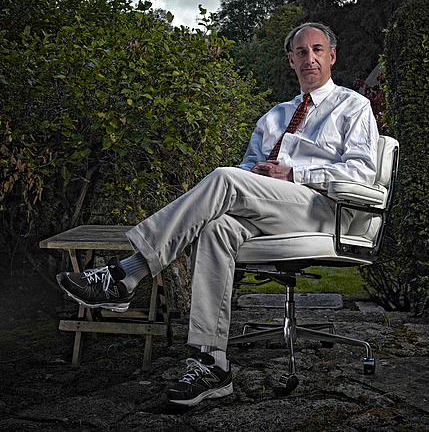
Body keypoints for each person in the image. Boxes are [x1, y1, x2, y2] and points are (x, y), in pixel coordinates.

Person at [57, 22, 379, 406]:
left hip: (321, 209)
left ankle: (127, 273)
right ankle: (212, 363)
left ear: (332, 56)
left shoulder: (353, 106)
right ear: (291, 61)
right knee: (217, 228)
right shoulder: (275, 116)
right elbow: (245, 173)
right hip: (268, 207)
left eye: (318, 50)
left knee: (225, 178)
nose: (310, 58)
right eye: (301, 52)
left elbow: (362, 173)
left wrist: (294, 173)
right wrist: (257, 175)